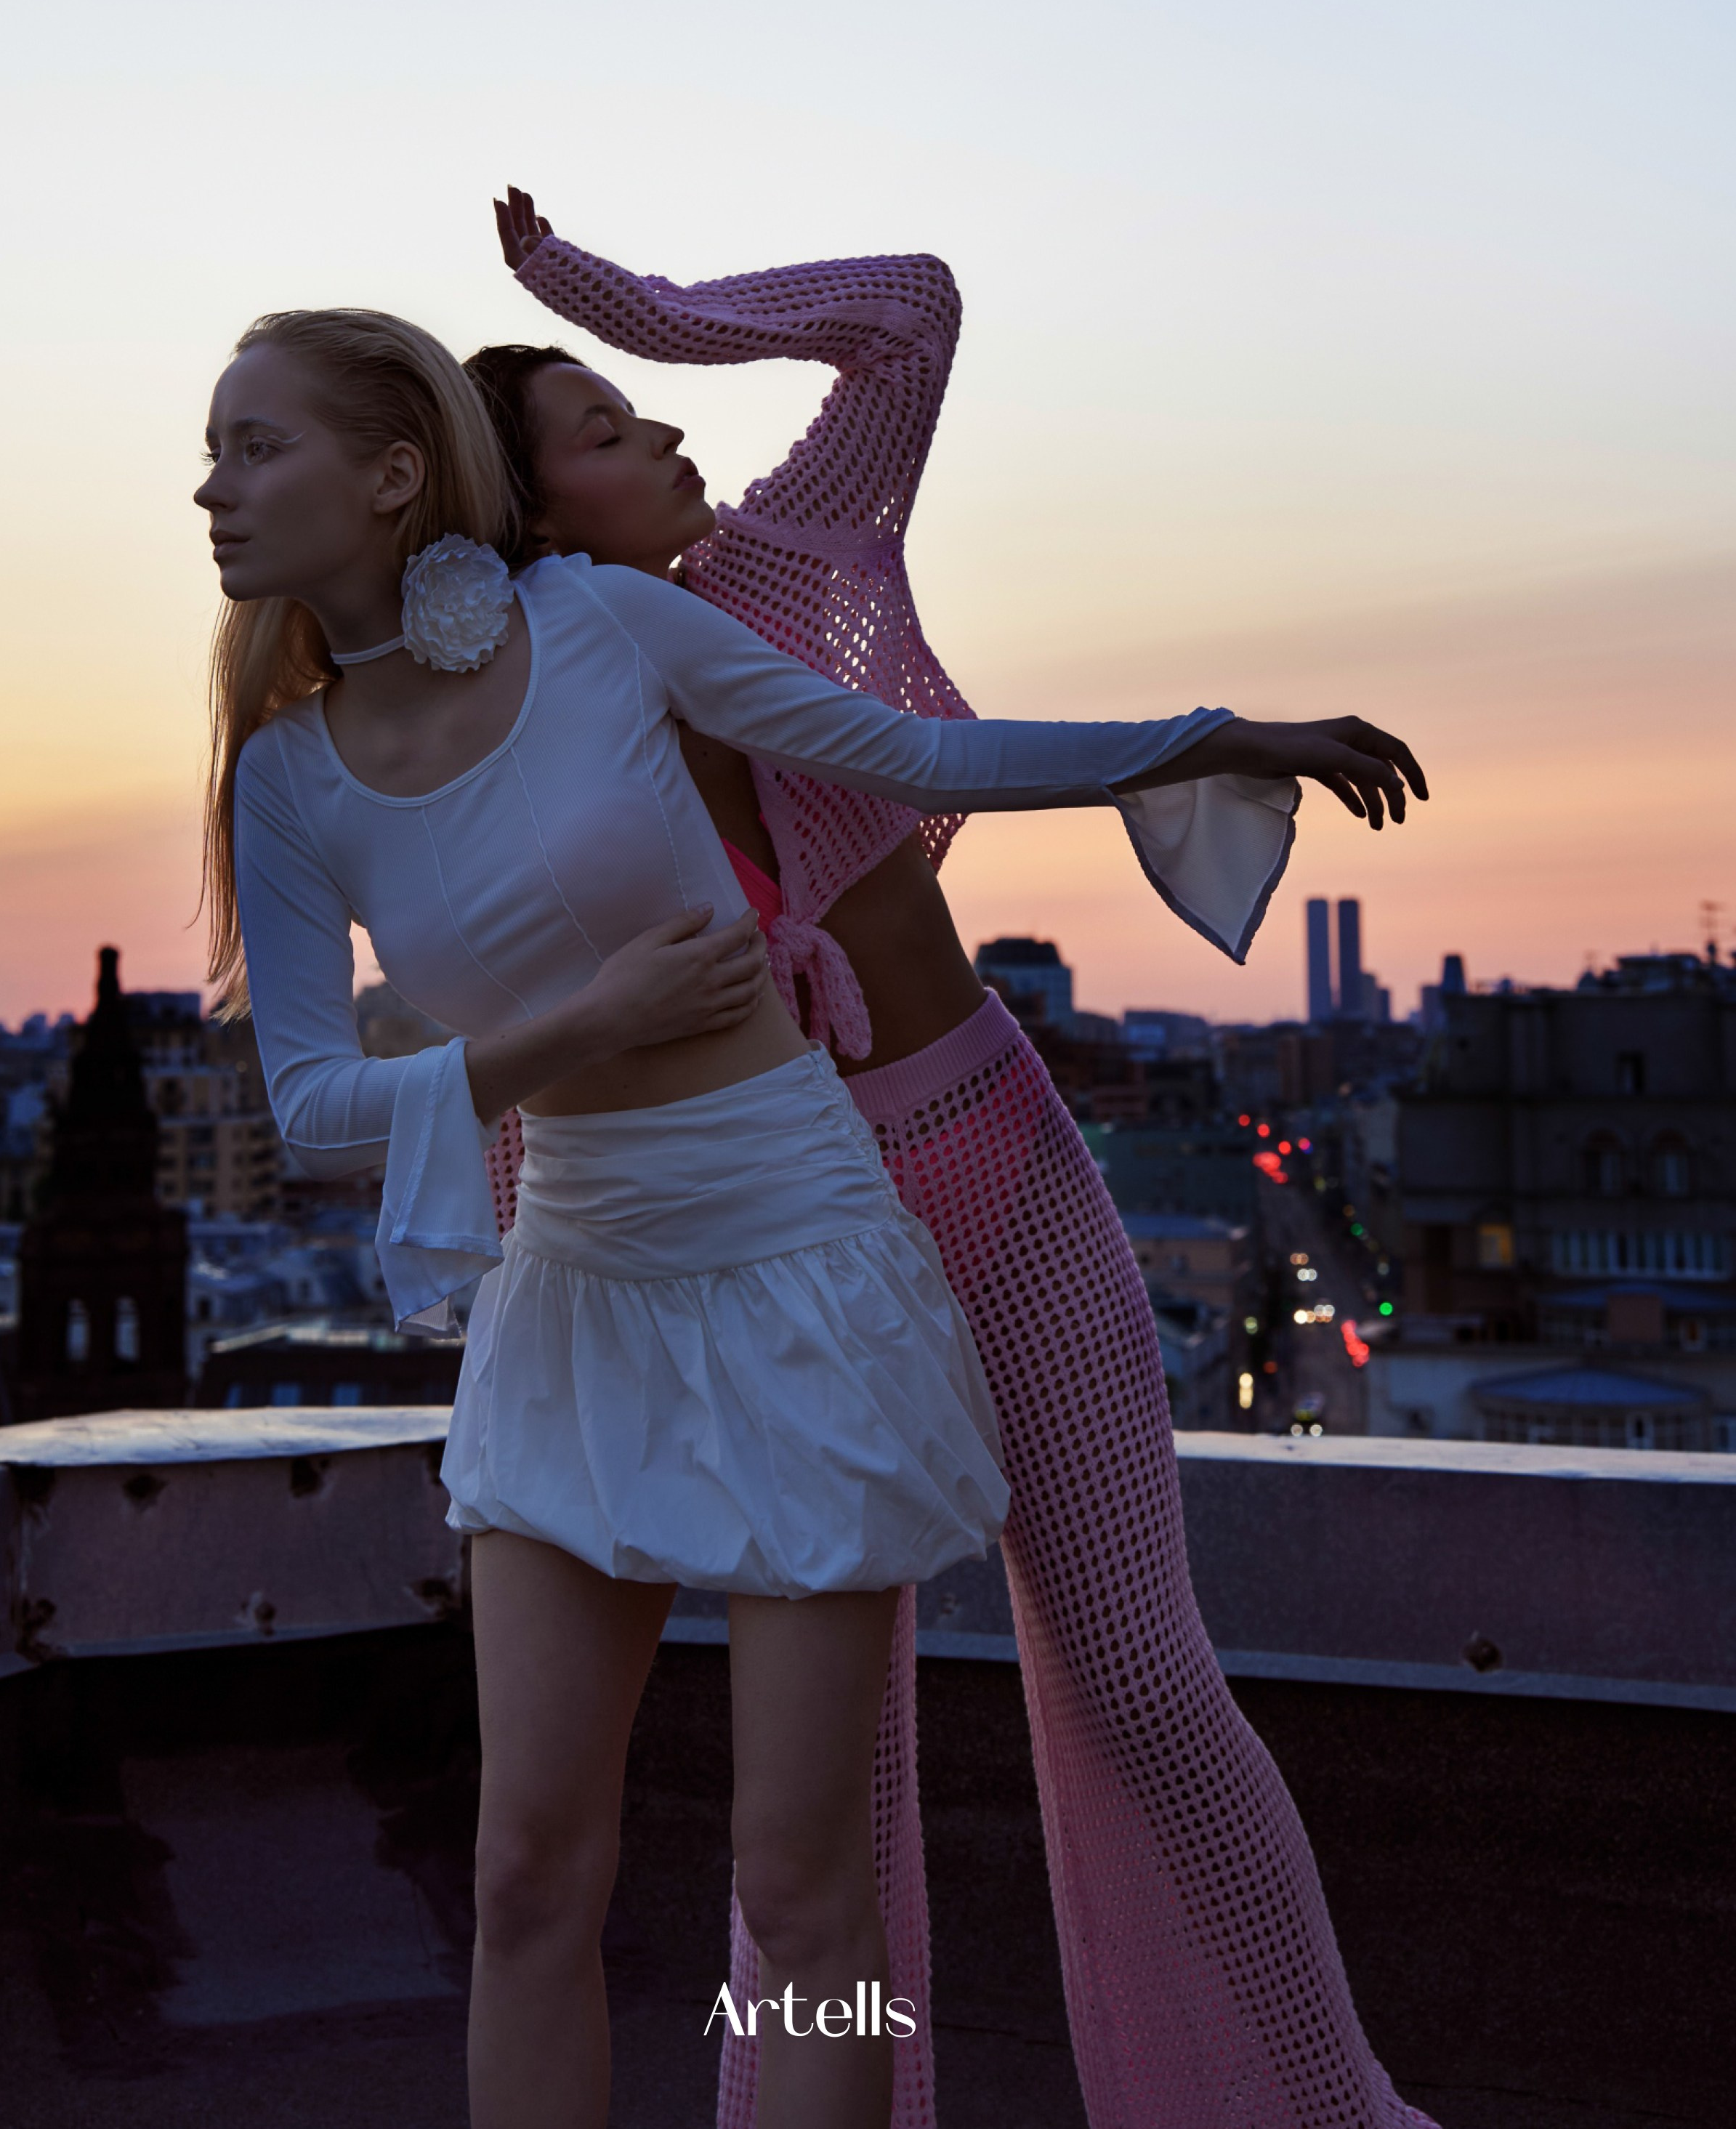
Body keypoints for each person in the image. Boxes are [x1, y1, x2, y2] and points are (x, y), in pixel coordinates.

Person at [195, 302, 1370, 2129]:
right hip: (576, 1295)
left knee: (806, 1889)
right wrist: (576, 1029)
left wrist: (1212, 738)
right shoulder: (284, 780)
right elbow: (313, 1107)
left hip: (804, 1262)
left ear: (398, 472)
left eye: (254, 448)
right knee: (524, 1879)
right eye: (213, 455)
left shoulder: (605, 620)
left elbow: (910, 756)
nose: (213, 490)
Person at [472, 187, 1437, 2129]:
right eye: (608, 429)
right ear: (534, 527)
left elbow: (908, 312)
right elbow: (540, 1116)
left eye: (635, 405)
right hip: (790, 1253)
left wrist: (622, 302)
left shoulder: (782, 563)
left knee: (1144, 1687)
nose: (665, 431)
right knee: (828, 1808)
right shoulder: (525, 769)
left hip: (992, 1153)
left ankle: (1323, 2114)